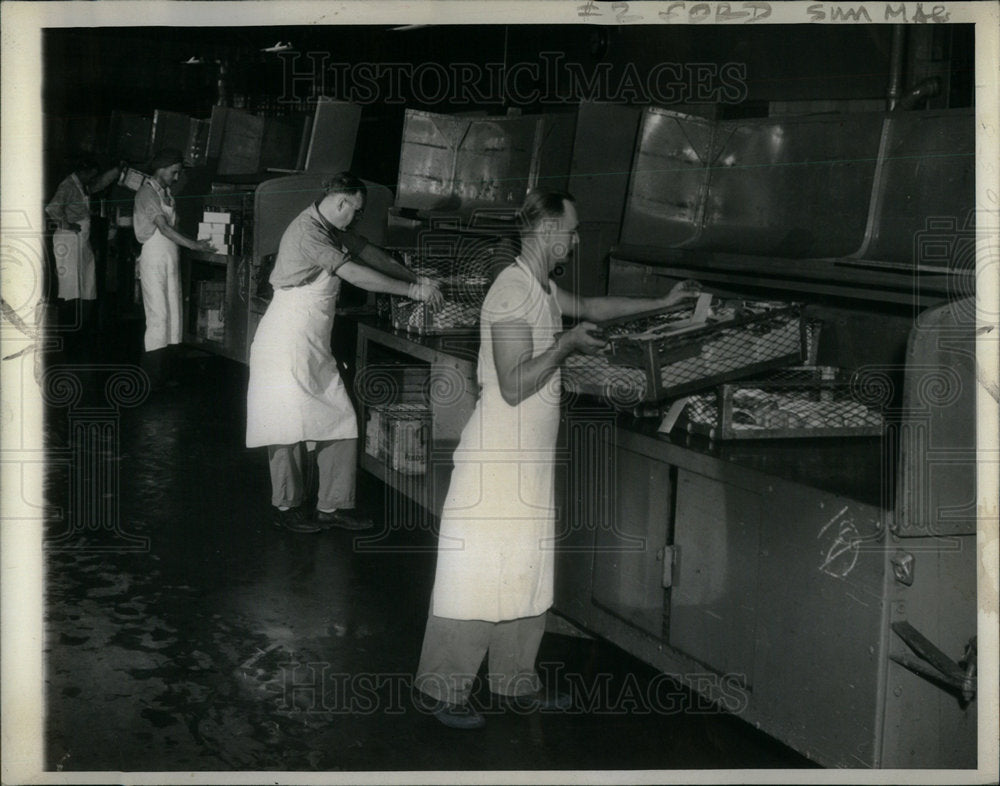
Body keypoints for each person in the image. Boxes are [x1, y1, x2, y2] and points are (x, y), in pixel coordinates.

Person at [413, 189, 701, 729]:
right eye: (569, 231)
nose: (573, 240)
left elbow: (591, 308)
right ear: (546, 232)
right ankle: (439, 689)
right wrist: (566, 346)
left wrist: (663, 305)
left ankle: (514, 680)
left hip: (529, 459)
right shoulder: (510, 291)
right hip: (498, 457)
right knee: (476, 571)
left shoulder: (540, 285)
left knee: (525, 568)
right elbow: (516, 383)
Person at [246, 172, 443, 534]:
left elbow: (369, 254)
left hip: (312, 341)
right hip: (285, 339)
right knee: (285, 423)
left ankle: (332, 506)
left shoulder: (332, 228)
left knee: (339, 416)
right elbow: (353, 272)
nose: (357, 217)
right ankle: (287, 505)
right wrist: (411, 293)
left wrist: (415, 277)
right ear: (341, 202)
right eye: (356, 210)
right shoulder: (308, 231)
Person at [133, 148, 215, 390]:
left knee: (173, 312)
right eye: (174, 172)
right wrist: (194, 244)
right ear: (161, 168)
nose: (176, 177)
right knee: (158, 314)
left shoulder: (165, 192)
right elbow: (164, 229)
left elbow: (173, 229)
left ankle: (165, 372)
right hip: (155, 255)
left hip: (170, 255)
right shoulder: (147, 193)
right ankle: (149, 377)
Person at [45, 156, 120, 341]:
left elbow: (99, 184)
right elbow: (52, 208)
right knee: (70, 287)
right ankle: (68, 332)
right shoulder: (68, 185)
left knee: (86, 282)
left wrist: (117, 170)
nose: (92, 179)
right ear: (82, 172)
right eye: (90, 175)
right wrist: (68, 225)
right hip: (69, 240)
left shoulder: (81, 185)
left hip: (81, 241)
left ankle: (81, 329)